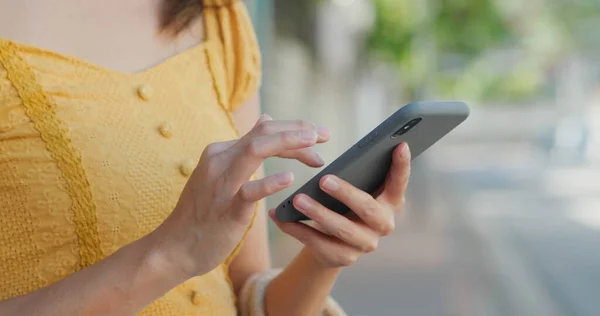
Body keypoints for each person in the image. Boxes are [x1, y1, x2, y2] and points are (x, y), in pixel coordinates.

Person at [0, 0, 412, 315]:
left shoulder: (217, 17)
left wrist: (324, 257)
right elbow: (185, 250)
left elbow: (247, 291)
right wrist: (171, 255)